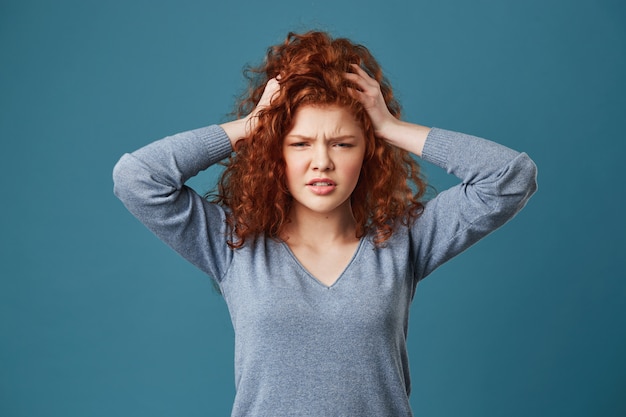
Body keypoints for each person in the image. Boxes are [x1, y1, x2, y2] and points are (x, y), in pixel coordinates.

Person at [113, 31, 537, 417]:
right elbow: (138, 179)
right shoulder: (234, 246)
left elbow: (509, 177)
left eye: (342, 143)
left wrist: (390, 126)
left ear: (367, 151)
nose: (322, 162)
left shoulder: (403, 242)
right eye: (299, 143)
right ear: (275, 154)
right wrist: (250, 127)